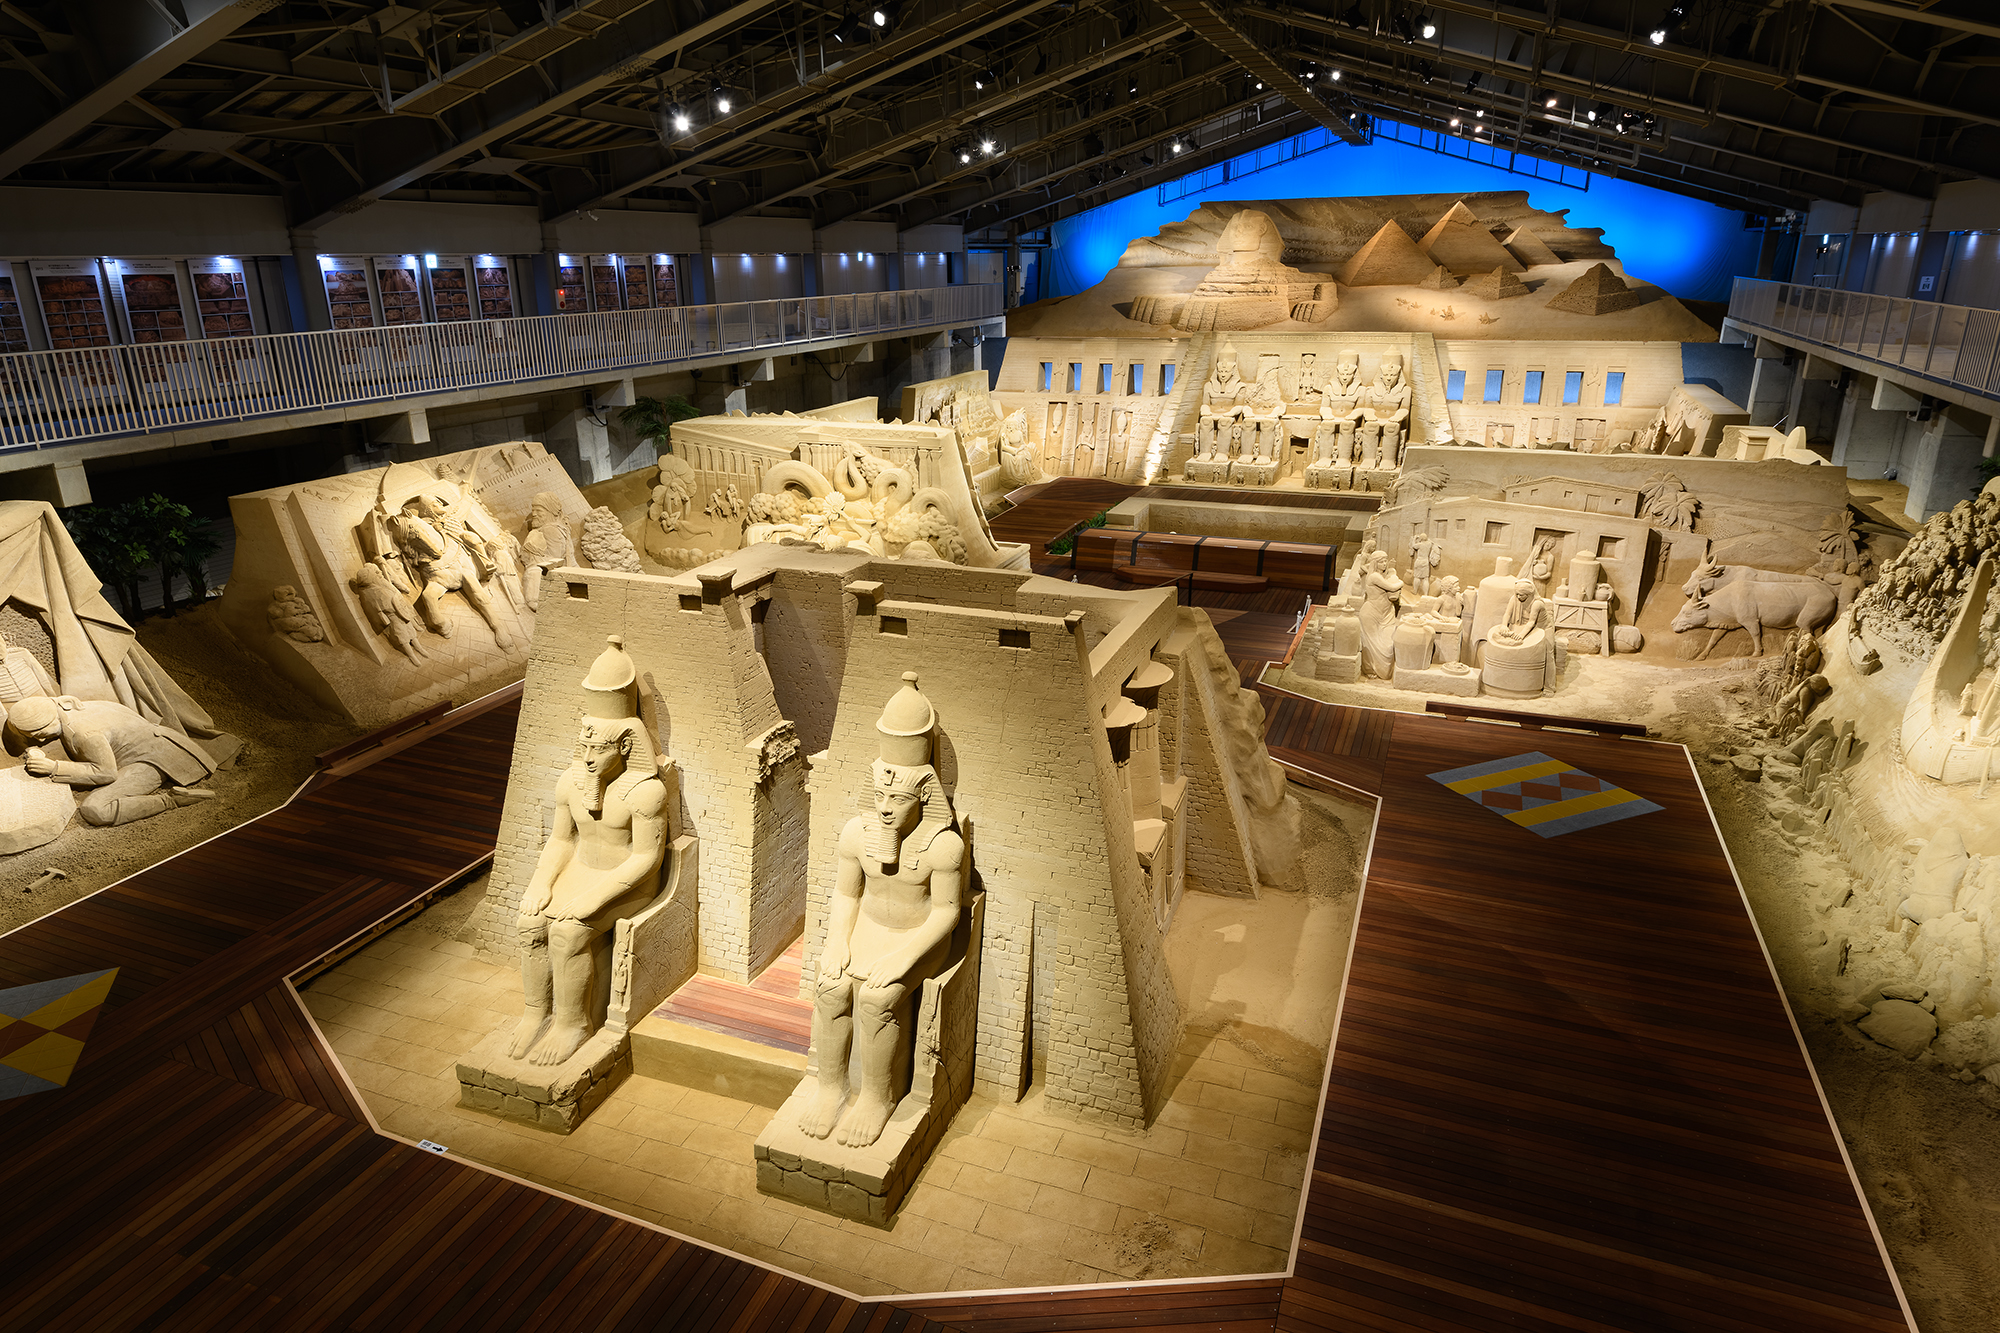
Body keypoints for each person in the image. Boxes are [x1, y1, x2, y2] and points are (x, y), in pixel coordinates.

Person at [801, 673, 964, 1150]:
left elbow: (946, 915)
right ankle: (830, 1089)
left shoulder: (943, 846)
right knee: (831, 987)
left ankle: (877, 1098)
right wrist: (837, 942)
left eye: (899, 798)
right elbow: (847, 896)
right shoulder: (857, 833)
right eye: (880, 796)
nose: (887, 808)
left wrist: (901, 959)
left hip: (918, 938)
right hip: (868, 929)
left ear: (925, 796)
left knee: (876, 999)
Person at [510, 638, 667, 1067]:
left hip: (628, 882)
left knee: (568, 933)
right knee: (530, 923)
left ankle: (572, 1024)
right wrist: (540, 884)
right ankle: (534, 1013)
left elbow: (646, 859)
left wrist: (592, 899)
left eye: (600, 749)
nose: (590, 758)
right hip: (580, 870)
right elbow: (561, 841)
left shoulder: (645, 792)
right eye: (585, 747)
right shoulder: (570, 782)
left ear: (626, 747)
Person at [5, 695, 217, 827]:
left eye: (40, 734)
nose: (40, 740)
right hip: (158, 745)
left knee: (95, 809)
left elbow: (106, 773)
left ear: (50, 720)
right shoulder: (74, 707)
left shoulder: (84, 733)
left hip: (154, 760)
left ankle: (172, 800)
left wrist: (54, 767)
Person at [1356, 549, 1404, 679]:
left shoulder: (1382, 575)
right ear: (1375, 563)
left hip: (1386, 615)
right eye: (1381, 562)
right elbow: (1392, 588)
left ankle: (1384, 671)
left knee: (1388, 646)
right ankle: (1369, 669)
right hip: (1371, 614)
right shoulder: (1374, 577)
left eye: (1385, 561)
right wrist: (1401, 582)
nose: (1384, 564)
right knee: (1370, 644)